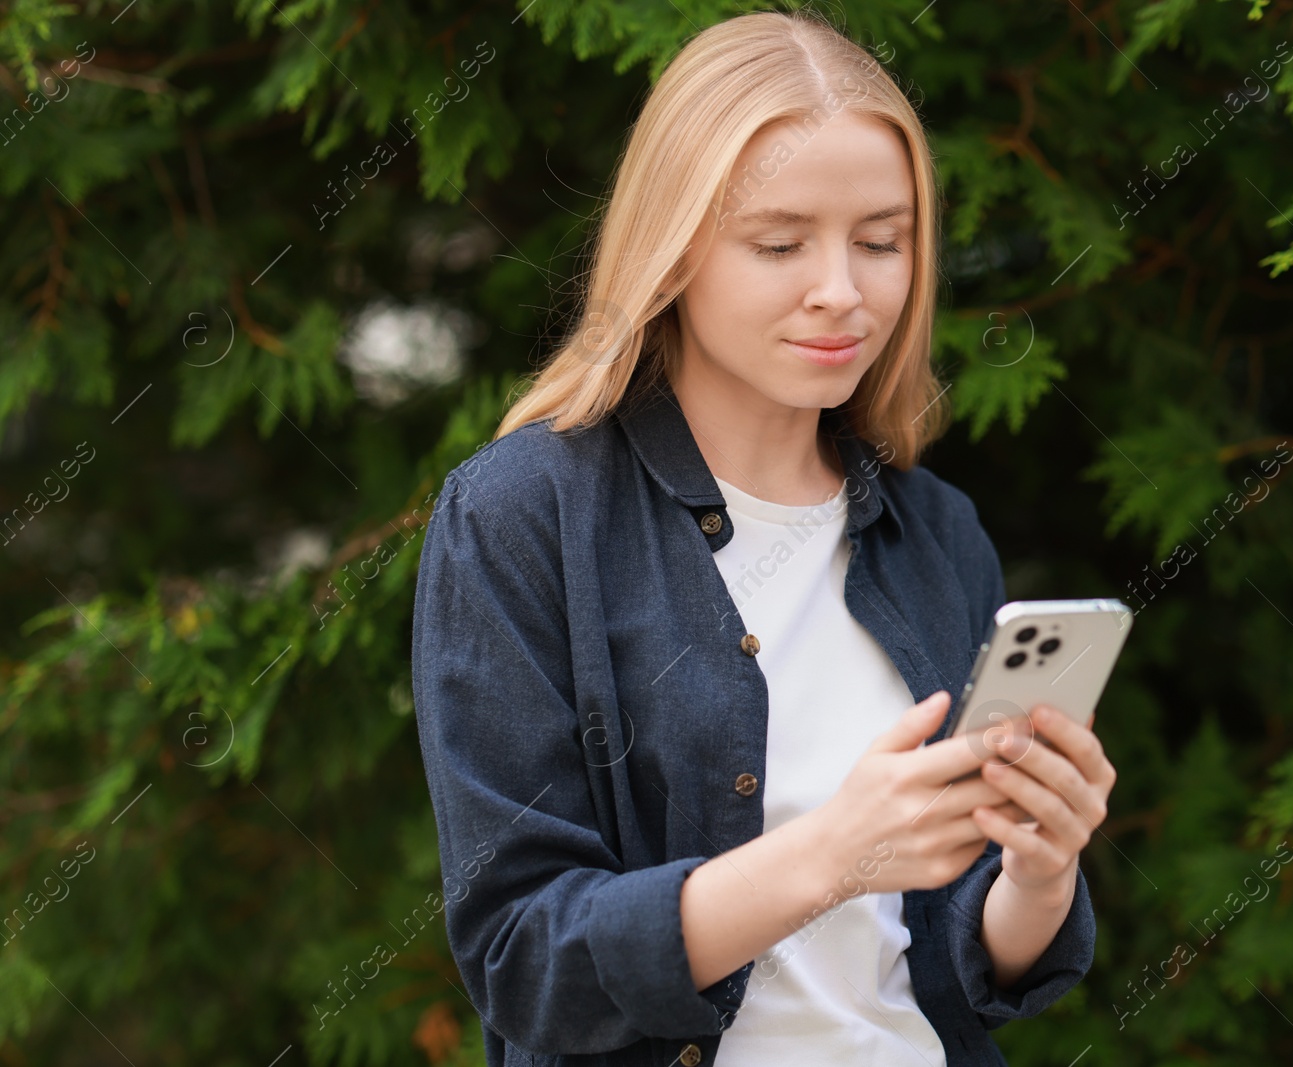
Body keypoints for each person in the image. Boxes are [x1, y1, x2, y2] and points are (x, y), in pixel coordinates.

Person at [410, 10, 1118, 1067]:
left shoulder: (937, 534)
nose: (841, 287)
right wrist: (828, 854)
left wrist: (1039, 869)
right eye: (780, 242)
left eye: (880, 240)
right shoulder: (521, 517)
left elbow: (962, 955)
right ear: (673, 247)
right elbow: (525, 956)